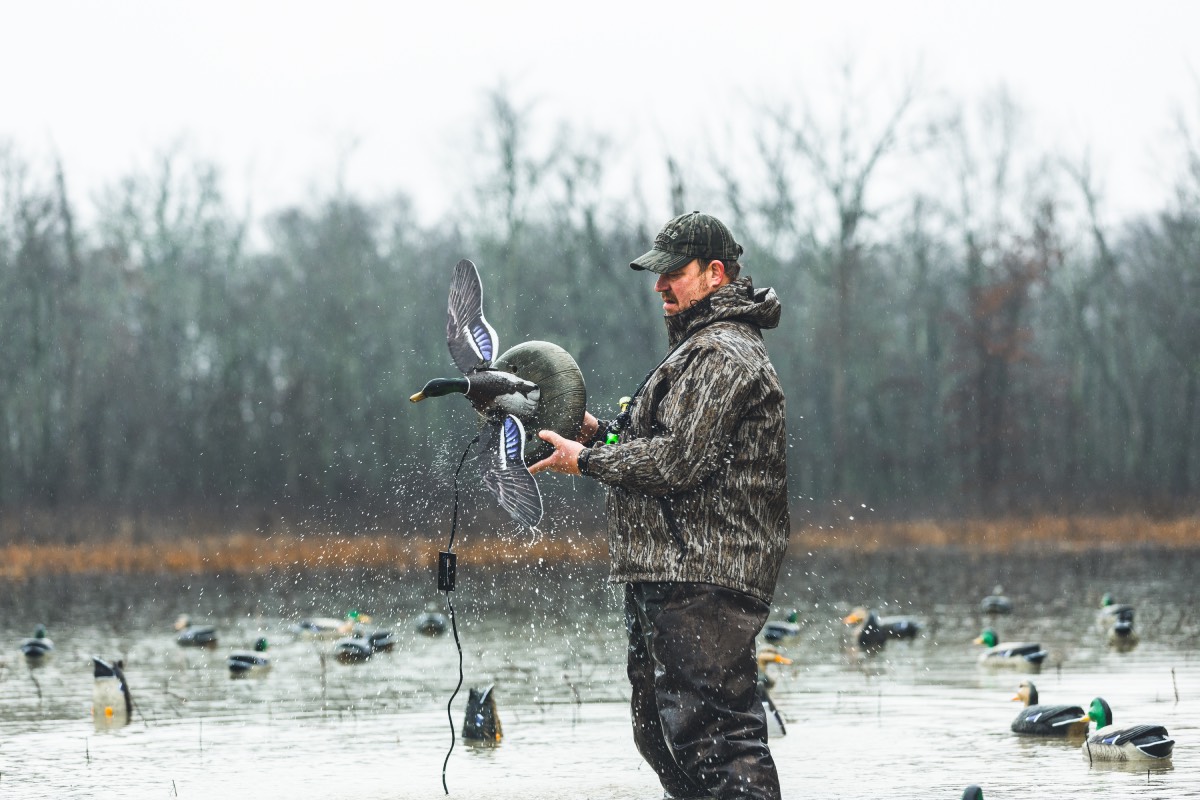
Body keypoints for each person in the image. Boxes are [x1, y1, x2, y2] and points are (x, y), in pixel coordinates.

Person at [531, 211, 790, 800]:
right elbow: (653, 443)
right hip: (667, 572)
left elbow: (678, 462)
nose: (659, 286)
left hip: (705, 576)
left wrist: (585, 461)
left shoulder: (724, 354)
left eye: (673, 272)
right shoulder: (695, 352)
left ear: (715, 273)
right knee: (659, 734)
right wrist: (591, 433)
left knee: (716, 739)